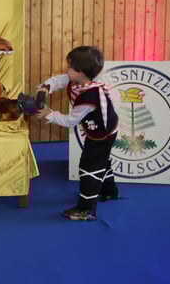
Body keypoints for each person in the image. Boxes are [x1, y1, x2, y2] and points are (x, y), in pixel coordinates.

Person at [36, 45, 119, 221]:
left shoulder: (90, 96)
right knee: (101, 160)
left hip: (102, 134)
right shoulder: (79, 80)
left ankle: (87, 209)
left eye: (70, 66)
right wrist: (45, 87)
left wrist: (49, 114)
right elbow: (60, 80)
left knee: (89, 167)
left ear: (80, 72)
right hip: (99, 129)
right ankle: (109, 191)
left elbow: (70, 121)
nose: (67, 69)